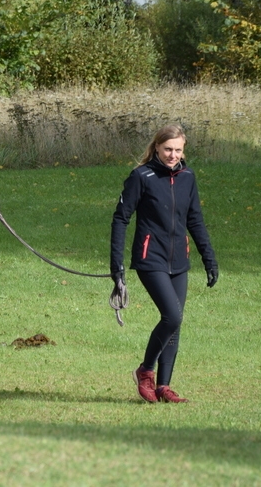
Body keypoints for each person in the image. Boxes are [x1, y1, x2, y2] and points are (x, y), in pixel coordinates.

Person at [110, 124, 219, 403]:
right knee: (172, 315)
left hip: (179, 261)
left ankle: (163, 386)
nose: (173, 155)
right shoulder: (141, 176)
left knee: (175, 323)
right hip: (150, 259)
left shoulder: (188, 176)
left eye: (178, 150)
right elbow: (121, 218)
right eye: (168, 149)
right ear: (157, 147)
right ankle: (145, 371)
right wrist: (117, 265)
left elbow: (194, 219)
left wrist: (209, 258)